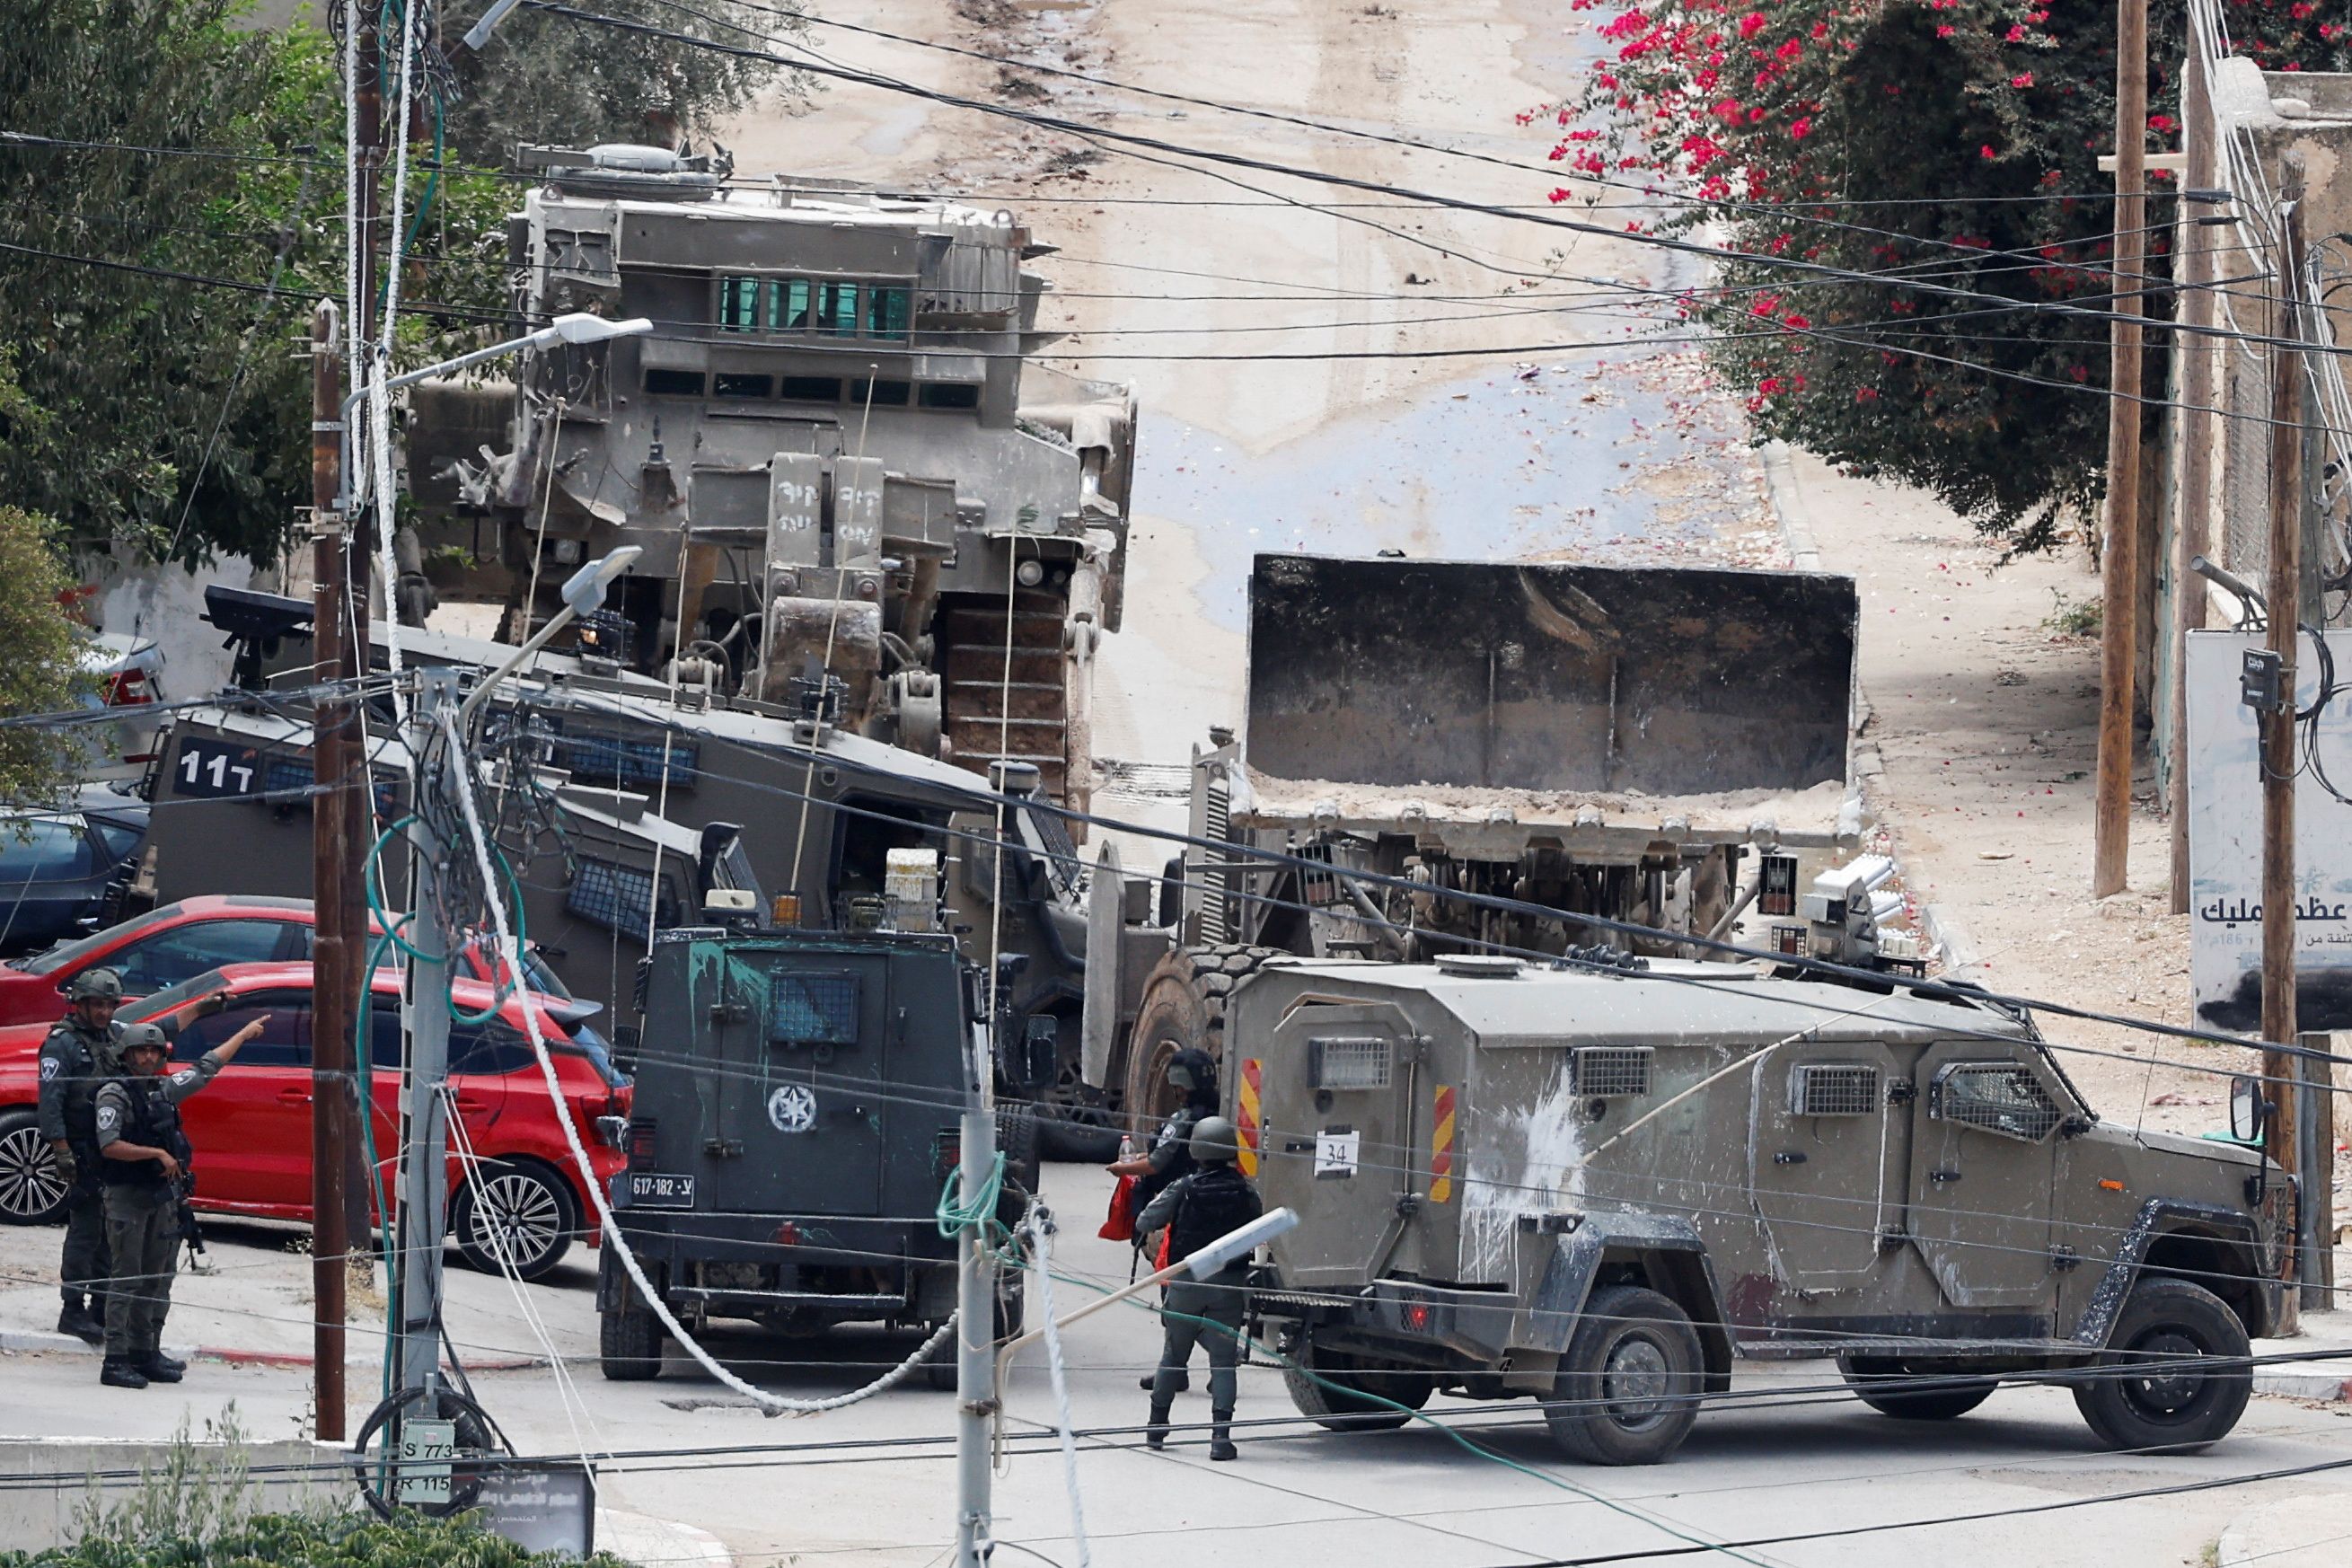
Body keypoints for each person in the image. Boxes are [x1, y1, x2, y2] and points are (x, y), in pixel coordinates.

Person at [37, 972, 227, 1344]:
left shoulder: (114, 1033)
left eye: (109, 1005)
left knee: (112, 1232)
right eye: (97, 1005)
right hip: (81, 1148)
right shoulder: (61, 1045)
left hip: (114, 1148)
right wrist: (60, 1150)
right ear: (80, 1004)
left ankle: (101, 1304)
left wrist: (203, 1008)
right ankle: (72, 1308)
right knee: (85, 1232)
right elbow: (51, 1102)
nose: (104, 1012)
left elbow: (158, 1031)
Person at [93, 1017, 260, 1388]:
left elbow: (205, 1069)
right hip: (127, 1199)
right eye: (141, 1050)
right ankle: (116, 1358)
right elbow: (109, 1144)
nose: (148, 1057)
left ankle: (146, 1350)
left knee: (159, 1278)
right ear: (127, 1054)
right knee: (127, 1279)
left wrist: (243, 1034)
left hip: (162, 1200)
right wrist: (155, 1153)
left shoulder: (163, 1090)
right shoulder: (113, 1094)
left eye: (154, 1051)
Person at [1133, 1114, 1262, 1462]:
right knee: (1223, 1362)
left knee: (1174, 1355)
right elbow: (1259, 1225)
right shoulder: (1246, 1190)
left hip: (1187, 1279)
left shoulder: (1185, 1187)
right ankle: (1220, 1439)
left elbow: (1145, 1220)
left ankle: (1157, 1427)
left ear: (1196, 1150)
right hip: (1230, 1283)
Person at [1106, 1047, 1220, 1388]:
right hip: (1215, 1216)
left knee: (1172, 1298)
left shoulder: (1182, 1119)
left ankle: (1178, 1371)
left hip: (1181, 1216)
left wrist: (1121, 1168)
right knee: (1214, 1300)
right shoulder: (1218, 1116)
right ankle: (1211, 1370)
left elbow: (1157, 1164)